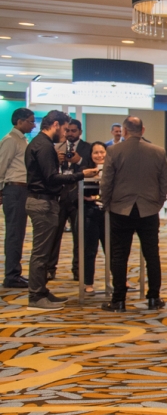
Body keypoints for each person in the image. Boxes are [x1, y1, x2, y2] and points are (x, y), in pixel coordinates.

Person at [24, 110, 99, 309]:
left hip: (43, 201)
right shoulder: (44, 146)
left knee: (44, 251)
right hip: (42, 202)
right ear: (55, 124)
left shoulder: (41, 144)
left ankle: (41, 291)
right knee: (41, 253)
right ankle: (36, 296)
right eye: (65, 129)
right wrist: (81, 174)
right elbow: (52, 178)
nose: (66, 134)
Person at [100, 116, 167, 312]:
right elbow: (165, 184)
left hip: (120, 209)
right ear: (143, 130)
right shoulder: (158, 151)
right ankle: (154, 298)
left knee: (119, 255)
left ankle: (119, 300)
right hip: (149, 210)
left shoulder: (113, 151)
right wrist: (157, 203)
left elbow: (106, 182)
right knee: (152, 254)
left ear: (124, 131)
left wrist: (106, 204)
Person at [49, 118, 91, 281]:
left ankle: (78, 270)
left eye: (74, 131)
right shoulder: (56, 147)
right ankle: (50, 269)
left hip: (78, 196)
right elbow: (49, 171)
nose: (70, 134)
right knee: (54, 235)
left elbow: (93, 167)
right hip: (59, 195)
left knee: (80, 236)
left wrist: (78, 160)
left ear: (80, 132)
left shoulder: (88, 148)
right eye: (67, 130)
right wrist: (57, 161)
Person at [0, 108, 36, 289]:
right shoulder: (10, 140)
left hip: (22, 190)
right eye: (30, 121)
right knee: (14, 233)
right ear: (19, 121)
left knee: (19, 233)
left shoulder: (22, 140)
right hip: (14, 190)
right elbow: (1, 167)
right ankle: (11, 276)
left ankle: (15, 273)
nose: (33, 125)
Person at [81, 142, 107, 294]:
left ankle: (120, 280)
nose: (99, 155)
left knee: (113, 250)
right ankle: (88, 283)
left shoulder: (112, 170)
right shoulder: (86, 171)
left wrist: (97, 197)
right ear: (90, 155)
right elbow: (83, 194)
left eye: (102, 152)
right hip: (90, 213)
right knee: (90, 250)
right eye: (96, 152)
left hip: (108, 213)